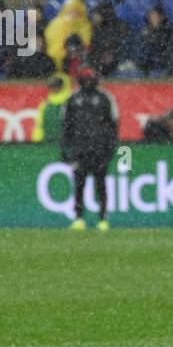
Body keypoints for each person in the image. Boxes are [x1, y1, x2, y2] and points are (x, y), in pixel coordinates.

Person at [60, 68, 119, 231]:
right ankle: (78, 218)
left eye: (91, 79)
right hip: (80, 151)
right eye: (85, 79)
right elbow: (65, 127)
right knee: (79, 186)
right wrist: (66, 151)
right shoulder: (72, 100)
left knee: (101, 185)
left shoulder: (105, 98)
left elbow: (113, 125)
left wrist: (110, 149)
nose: (88, 82)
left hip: (99, 150)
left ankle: (103, 219)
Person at [31, 74, 72, 143]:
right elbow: (39, 124)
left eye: (54, 86)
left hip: (53, 142)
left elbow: (39, 125)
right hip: (59, 142)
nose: (52, 88)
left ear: (61, 87)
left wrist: (37, 140)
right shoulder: (45, 104)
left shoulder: (46, 105)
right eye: (51, 86)